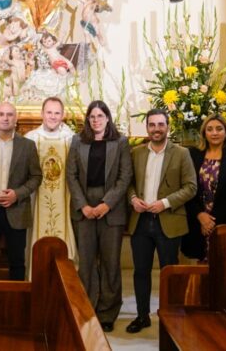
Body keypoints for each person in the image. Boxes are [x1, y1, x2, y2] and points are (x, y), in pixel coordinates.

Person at [126, 108, 196, 333]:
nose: (156, 129)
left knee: (169, 272)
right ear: (147, 128)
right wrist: (133, 198)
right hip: (141, 220)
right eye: (152, 125)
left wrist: (165, 202)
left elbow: (191, 187)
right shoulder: (136, 153)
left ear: (168, 127)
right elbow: (128, 183)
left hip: (169, 220)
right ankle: (142, 315)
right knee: (141, 271)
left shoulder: (181, 153)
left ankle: (170, 316)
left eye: (160, 124)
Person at [65, 100, 132, 332]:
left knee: (110, 262)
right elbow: (71, 176)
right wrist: (83, 205)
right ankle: (87, 307)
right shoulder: (77, 141)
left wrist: (106, 204)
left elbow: (125, 177)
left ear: (107, 118)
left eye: (100, 116)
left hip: (111, 208)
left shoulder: (120, 142)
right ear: (88, 119)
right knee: (86, 262)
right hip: (84, 206)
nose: (96, 120)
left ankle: (107, 312)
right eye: (92, 117)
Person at [0, 101, 42, 283]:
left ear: (15, 119)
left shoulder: (27, 145)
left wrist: (17, 194)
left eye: (10, 114)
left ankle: (17, 307)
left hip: (16, 210)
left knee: (17, 262)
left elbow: (36, 176)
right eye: (1, 114)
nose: (5, 118)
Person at [183, 114, 226, 262]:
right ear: (204, 134)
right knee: (198, 273)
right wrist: (200, 215)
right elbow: (186, 188)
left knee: (225, 269)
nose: (214, 133)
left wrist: (211, 221)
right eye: (210, 129)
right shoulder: (193, 155)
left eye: (219, 129)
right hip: (197, 221)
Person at [25, 96, 78, 265]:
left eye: (57, 113)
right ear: (42, 113)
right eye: (49, 112)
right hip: (36, 198)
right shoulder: (31, 138)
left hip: (65, 198)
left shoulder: (71, 139)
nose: (53, 116)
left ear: (63, 115)